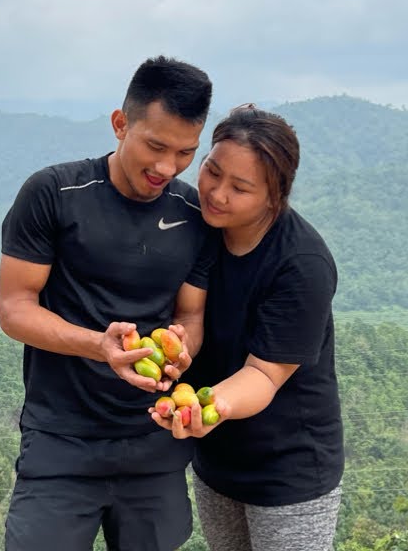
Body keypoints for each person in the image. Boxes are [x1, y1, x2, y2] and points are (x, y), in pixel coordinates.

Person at [0, 56, 215, 551]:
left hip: (154, 445)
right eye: (155, 146)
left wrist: (184, 349)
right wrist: (100, 345)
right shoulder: (54, 194)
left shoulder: (193, 215)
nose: (167, 167)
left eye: (185, 152)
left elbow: (190, 315)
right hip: (60, 442)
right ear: (120, 124)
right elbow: (14, 308)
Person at [151, 104, 344, 551]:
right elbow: (190, 316)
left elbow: (264, 374)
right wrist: (176, 349)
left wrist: (204, 407)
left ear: (274, 197)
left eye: (239, 188)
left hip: (290, 471)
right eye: (212, 172)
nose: (216, 194)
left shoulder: (301, 264)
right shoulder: (199, 227)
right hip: (217, 460)